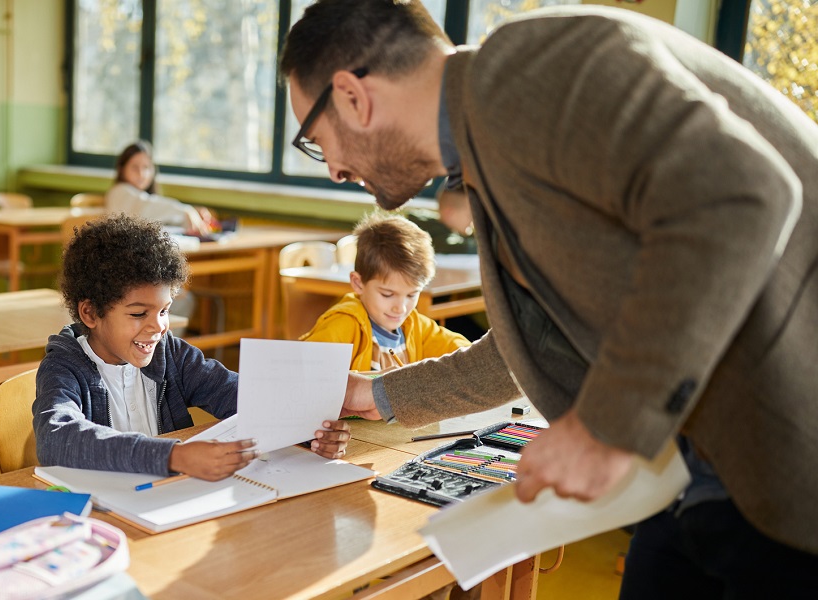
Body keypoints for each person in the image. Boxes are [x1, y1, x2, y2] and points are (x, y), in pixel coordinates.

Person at [280, 1, 818, 596]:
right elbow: (530, 343)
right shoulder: (487, 153)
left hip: (785, 442)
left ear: (352, 97)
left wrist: (608, 427)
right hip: (697, 465)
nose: (331, 169)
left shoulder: (531, 69)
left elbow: (742, 196)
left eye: (314, 139)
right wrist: (379, 393)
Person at [33, 214, 350, 479]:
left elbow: (238, 395)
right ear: (90, 313)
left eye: (164, 311)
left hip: (169, 500)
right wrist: (175, 457)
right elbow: (57, 439)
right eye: (138, 313)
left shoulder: (169, 353)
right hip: (103, 512)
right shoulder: (65, 366)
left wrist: (311, 432)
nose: (157, 326)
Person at [300, 212, 469, 371]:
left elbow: (464, 352)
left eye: (411, 295)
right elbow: (304, 367)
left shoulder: (413, 324)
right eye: (388, 295)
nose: (400, 308)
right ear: (358, 283)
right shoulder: (344, 324)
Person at [105, 141, 216, 236]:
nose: (141, 173)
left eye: (146, 167)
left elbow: (161, 213)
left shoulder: (148, 199)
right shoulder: (119, 192)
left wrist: (194, 215)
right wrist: (185, 211)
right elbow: (146, 207)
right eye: (134, 167)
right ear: (122, 169)